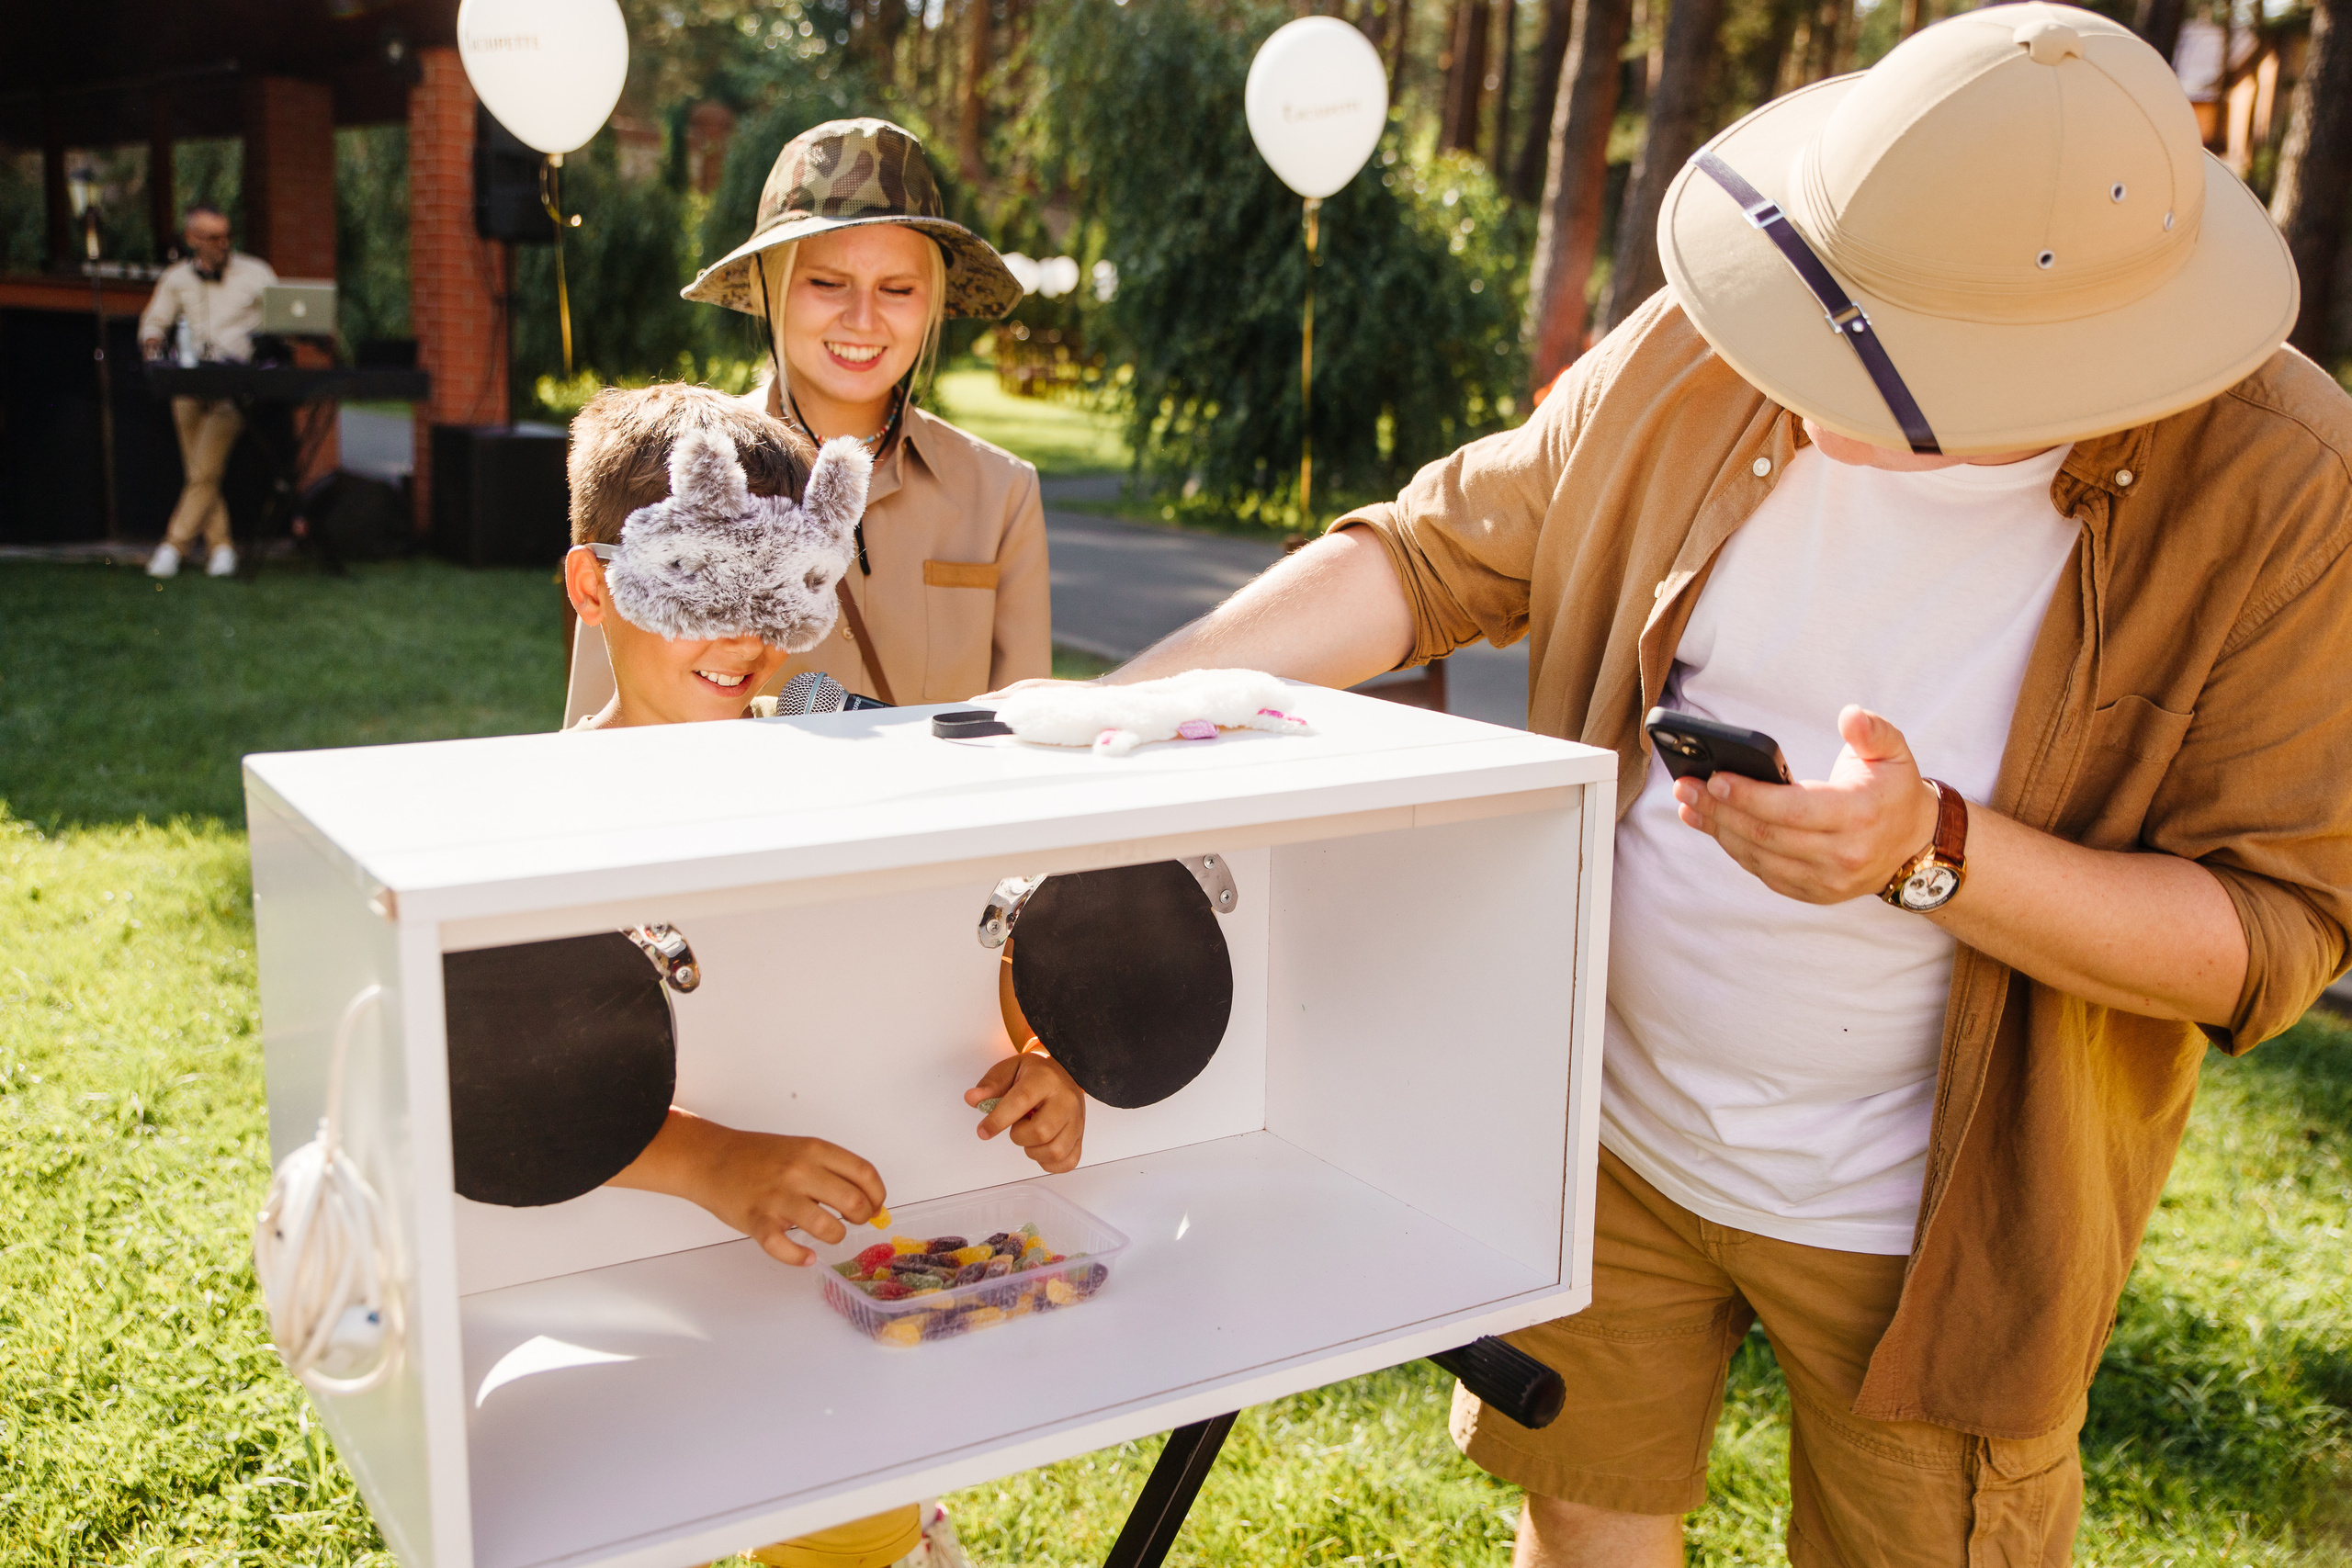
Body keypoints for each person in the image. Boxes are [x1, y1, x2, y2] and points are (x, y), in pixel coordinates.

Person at [988, 6, 2352, 1562]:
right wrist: (1116, 716)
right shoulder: (1731, 325)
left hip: (1939, 1225)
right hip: (1610, 1134)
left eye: (1879, 354)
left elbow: (2271, 934)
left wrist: (1931, 851)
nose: (1801, 375)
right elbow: (1431, 555)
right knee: (1581, 1522)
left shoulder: (2283, 486)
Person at [562, 382, 1087, 1568]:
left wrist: (1036, 1049)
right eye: (698, 590)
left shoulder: (839, 771)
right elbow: (502, 1096)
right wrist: (709, 1161)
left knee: (847, 1513)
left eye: (770, 597)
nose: (740, 640)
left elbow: (969, 927)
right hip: (631, 1298)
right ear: (596, 588)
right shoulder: (535, 826)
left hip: (837, 1281)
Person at [678, 117, 1047, 707]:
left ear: (932, 303)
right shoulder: (677, 478)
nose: (863, 320)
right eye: (828, 283)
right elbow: (608, 732)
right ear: (770, 289)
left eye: (898, 290)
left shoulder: (1001, 494)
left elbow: (1025, 728)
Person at [136, 203, 277, 580]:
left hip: (236, 388)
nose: (223, 244)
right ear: (192, 239)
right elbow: (154, 320)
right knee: (201, 471)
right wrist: (152, 342)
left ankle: (173, 546)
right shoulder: (176, 278)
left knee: (204, 467)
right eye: (213, 238)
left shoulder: (257, 273)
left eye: (227, 236)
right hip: (188, 385)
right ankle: (222, 548)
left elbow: (283, 319)